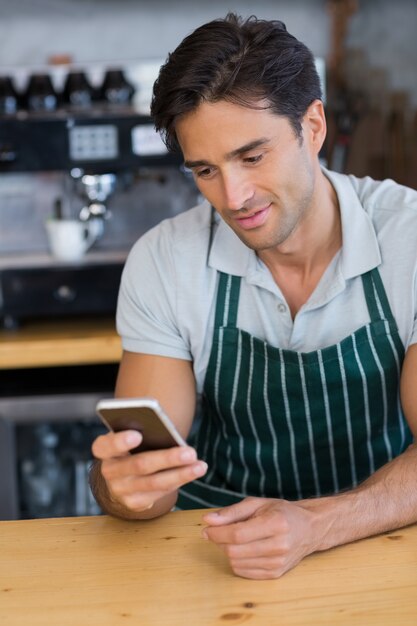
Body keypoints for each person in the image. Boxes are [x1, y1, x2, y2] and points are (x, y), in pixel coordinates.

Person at [90, 13, 417, 580]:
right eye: (205, 170)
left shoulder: (409, 238)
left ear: (312, 126)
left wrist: (317, 526)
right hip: (216, 547)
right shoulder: (166, 259)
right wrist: (121, 489)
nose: (234, 196)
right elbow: (145, 479)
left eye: (252, 156)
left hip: (376, 539)